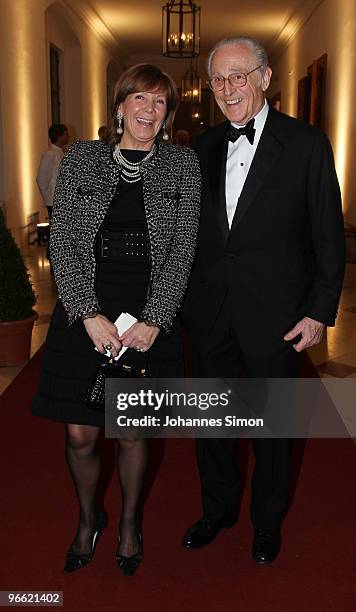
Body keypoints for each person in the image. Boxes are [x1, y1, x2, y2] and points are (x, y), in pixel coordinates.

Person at [32, 64, 201, 576]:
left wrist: (154, 319)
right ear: (120, 106)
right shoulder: (82, 157)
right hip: (87, 311)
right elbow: (62, 237)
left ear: (168, 114)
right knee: (81, 435)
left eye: (160, 102)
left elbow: (183, 247)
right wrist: (86, 312)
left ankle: (129, 523)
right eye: (140, 99)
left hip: (147, 312)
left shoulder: (182, 164)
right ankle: (89, 519)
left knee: (131, 431)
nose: (149, 110)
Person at [181, 37, 345, 563]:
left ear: (265, 78)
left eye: (239, 76)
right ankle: (219, 508)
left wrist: (319, 310)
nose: (229, 89)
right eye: (219, 80)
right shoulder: (201, 148)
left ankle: (267, 522)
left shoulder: (307, 144)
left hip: (276, 316)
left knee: (273, 430)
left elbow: (327, 236)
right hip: (209, 315)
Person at [36, 123, 69, 219]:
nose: (68, 136)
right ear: (59, 136)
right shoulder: (50, 154)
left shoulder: (60, 152)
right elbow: (41, 179)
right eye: (66, 134)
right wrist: (48, 200)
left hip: (63, 200)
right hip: (55, 201)